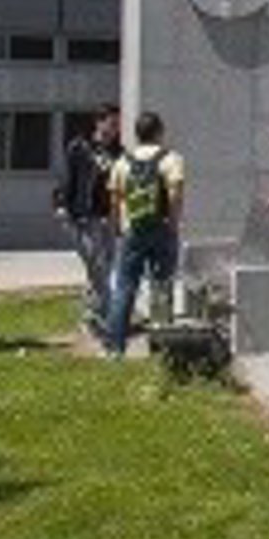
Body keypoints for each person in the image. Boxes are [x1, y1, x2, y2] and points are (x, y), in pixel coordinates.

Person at [104, 111, 187, 357]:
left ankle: (115, 348)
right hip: (162, 228)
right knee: (161, 286)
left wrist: (116, 227)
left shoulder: (122, 162)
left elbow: (114, 199)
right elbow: (175, 194)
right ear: (159, 132)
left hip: (131, 231)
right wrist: (173, 224)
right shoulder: (171, 159)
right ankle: (162, 345)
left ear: (136, 134)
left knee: (124, 288)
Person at [54, 104, 122, 335]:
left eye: (118, 124)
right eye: (112, 123)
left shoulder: (118, 152)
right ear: (99, 122)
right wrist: (61, 204)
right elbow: (67, 177)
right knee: (96, 266)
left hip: (108, 218)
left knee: (105, 267)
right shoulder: (80, 147)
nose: (115, 129)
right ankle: (106, 316)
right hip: (85, 216)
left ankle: (92, 317)